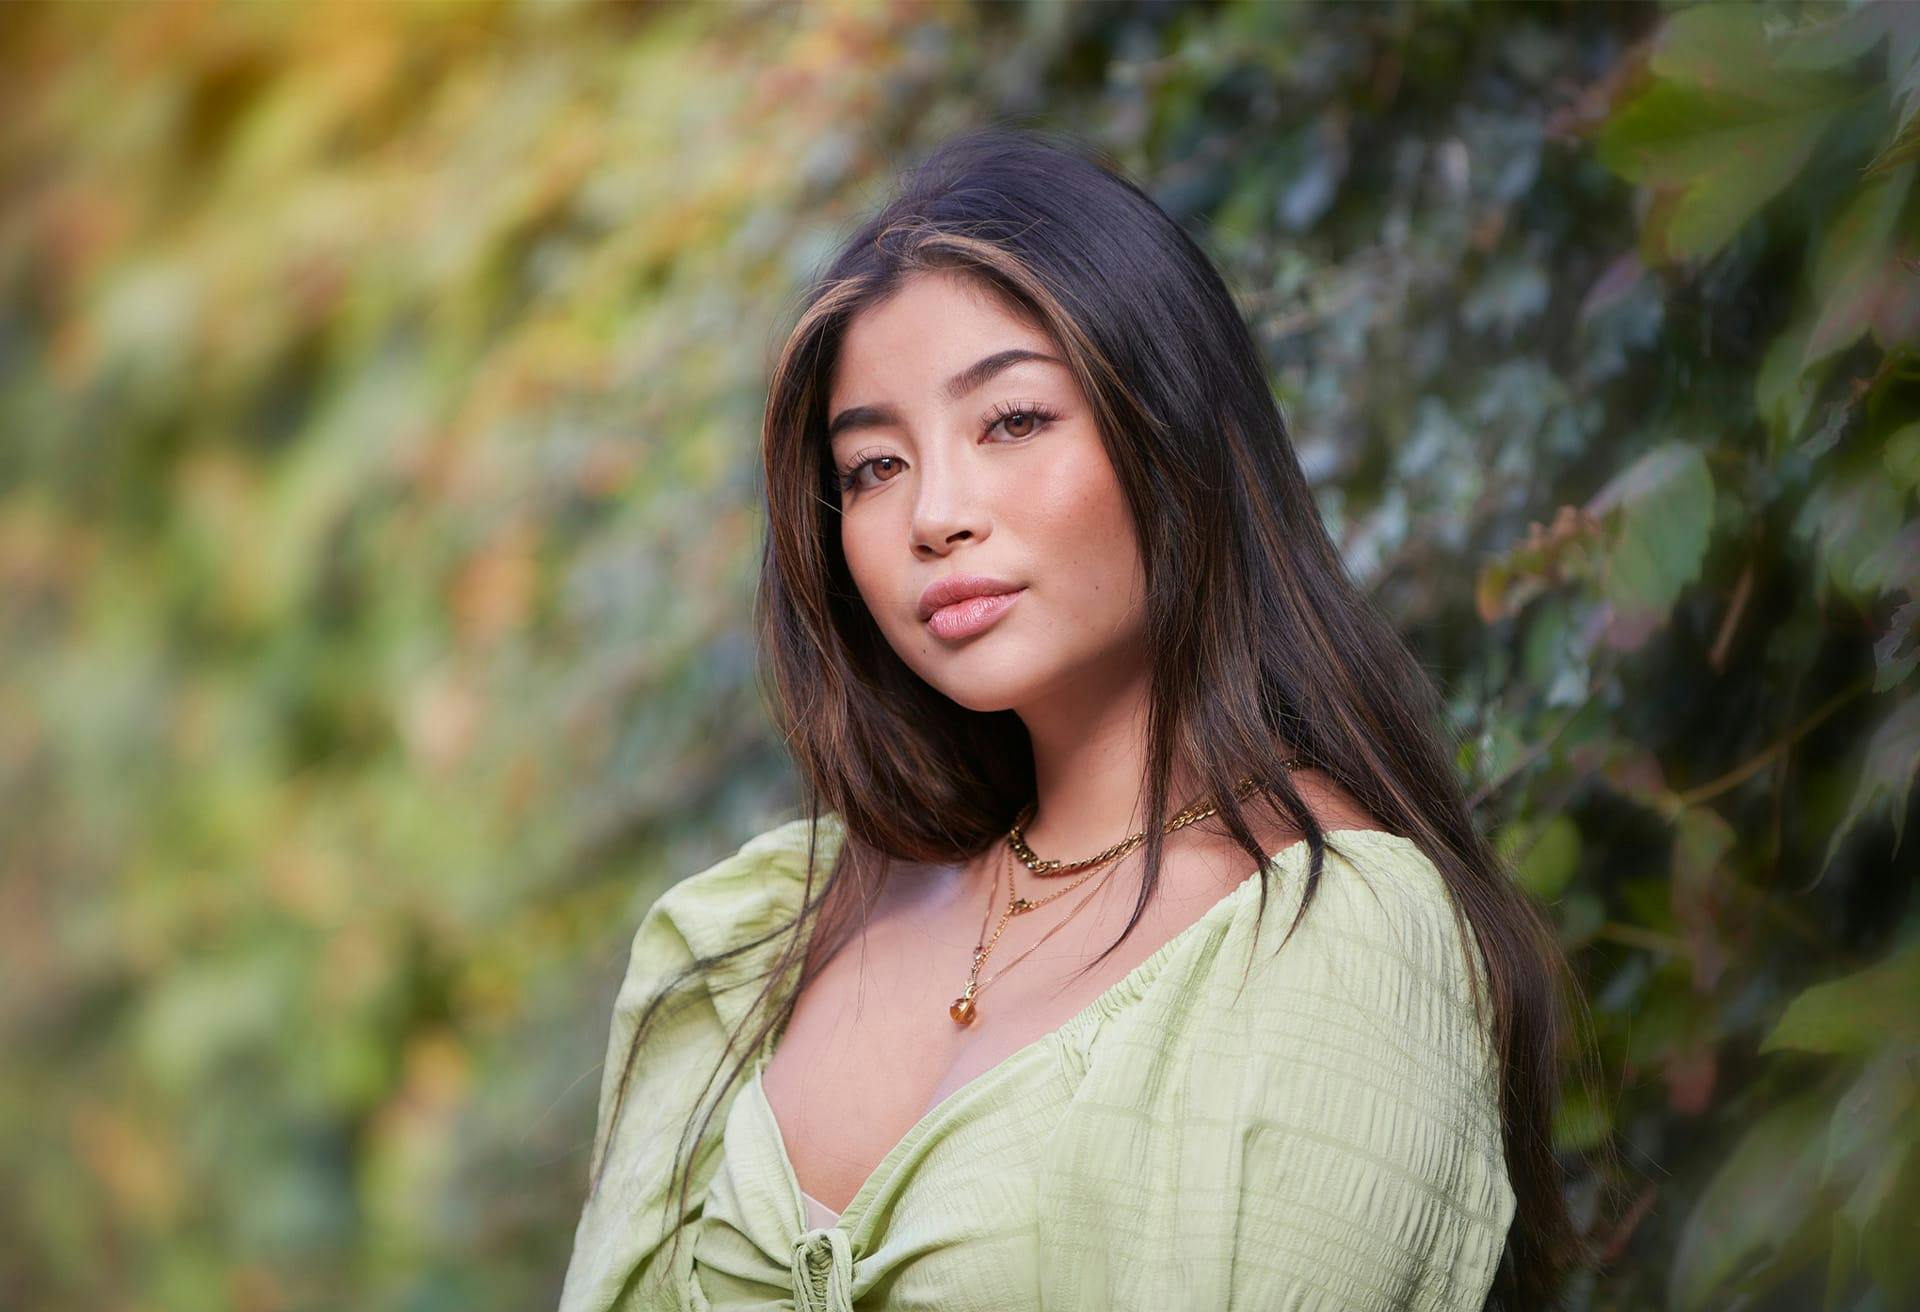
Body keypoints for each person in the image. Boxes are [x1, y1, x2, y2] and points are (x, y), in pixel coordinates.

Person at [559, 125, 1579, 1311]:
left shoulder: (1329, 935)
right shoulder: (753, 937)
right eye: (876, 466)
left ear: (1175, 429)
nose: (935, 514)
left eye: (1014, 421)